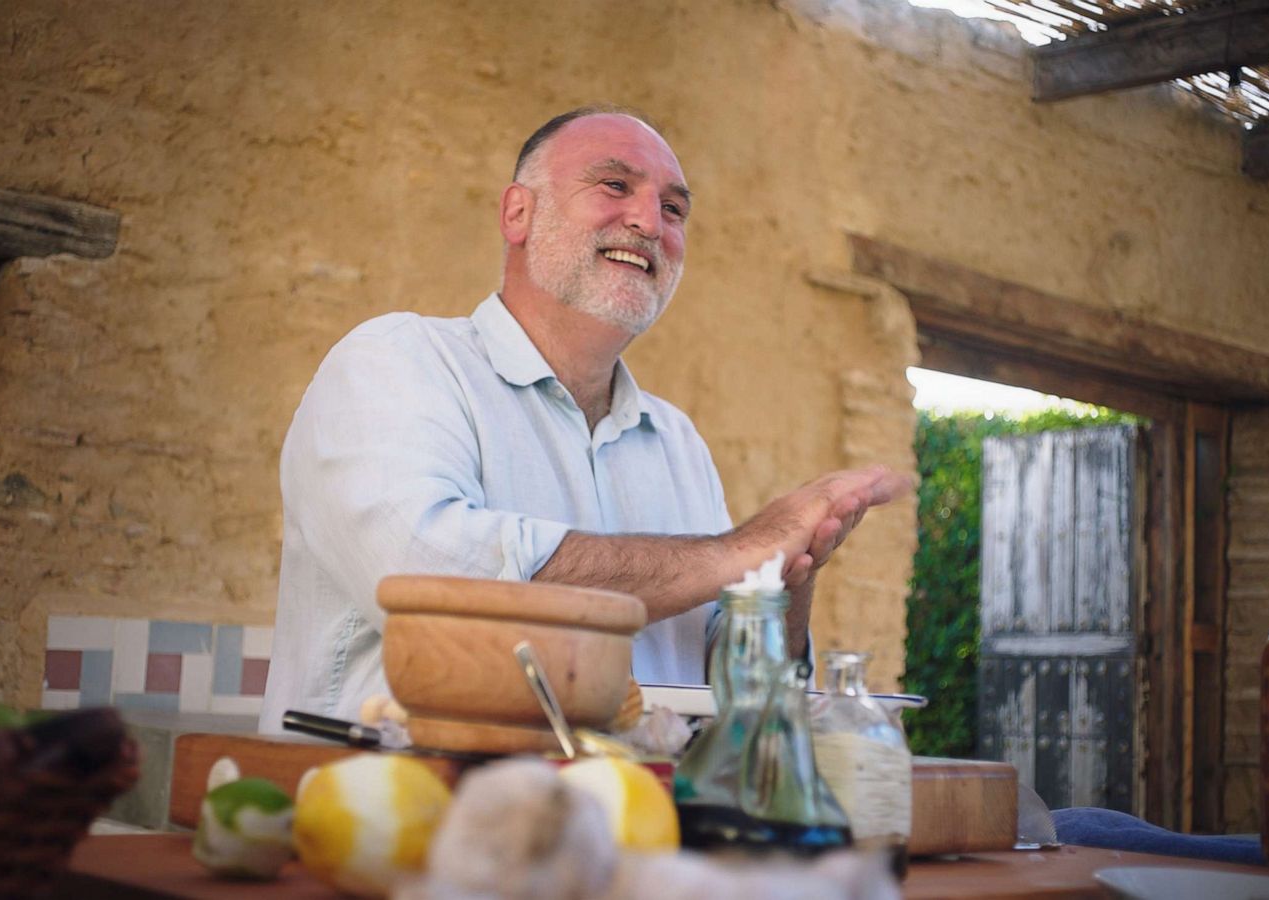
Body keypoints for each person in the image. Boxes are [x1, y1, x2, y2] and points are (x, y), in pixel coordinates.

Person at [258, 106, 909, 732]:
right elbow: (426, 577)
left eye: (674, 209)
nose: (651, 223)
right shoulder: (398, 361)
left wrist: (783, 577)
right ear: (519, 212)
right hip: (387, 825)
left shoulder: (678, 441)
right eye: (615, 185)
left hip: (634, 831)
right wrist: (739, 550)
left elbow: (738, 697)